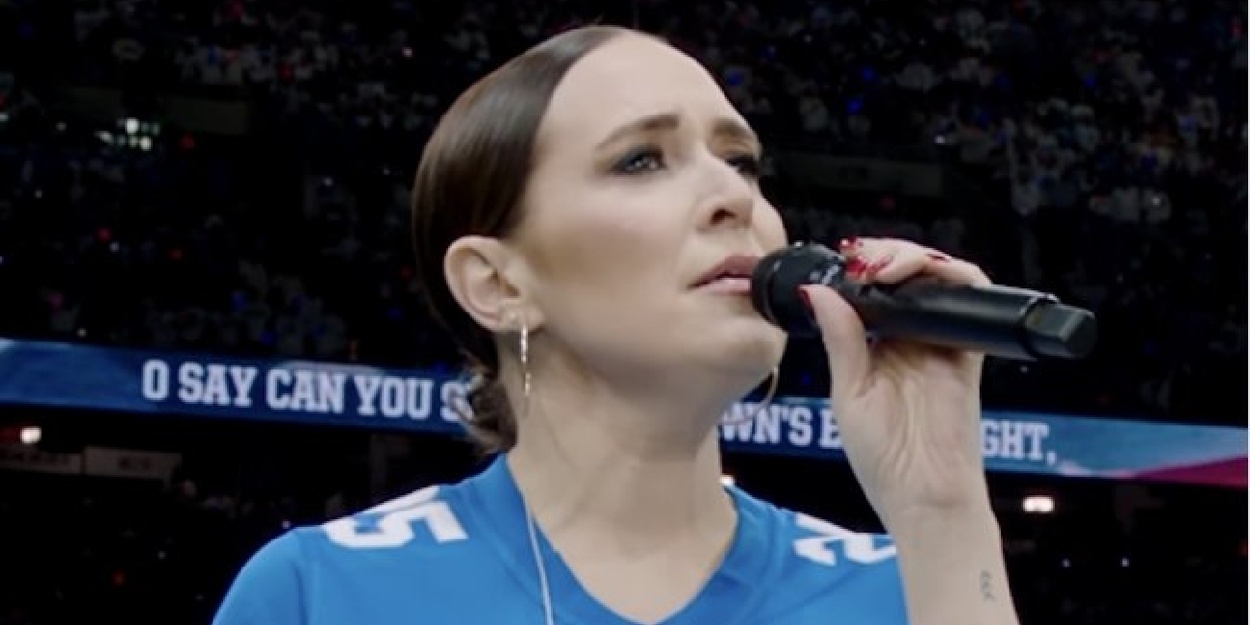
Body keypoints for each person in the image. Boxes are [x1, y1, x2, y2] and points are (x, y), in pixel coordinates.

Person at [213, 25, 1020, 625]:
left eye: (739, 160)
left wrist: (943, 513)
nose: (734, 196)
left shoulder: (907, 590)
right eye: (641, 160)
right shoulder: (321, 593)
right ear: (496, 284)